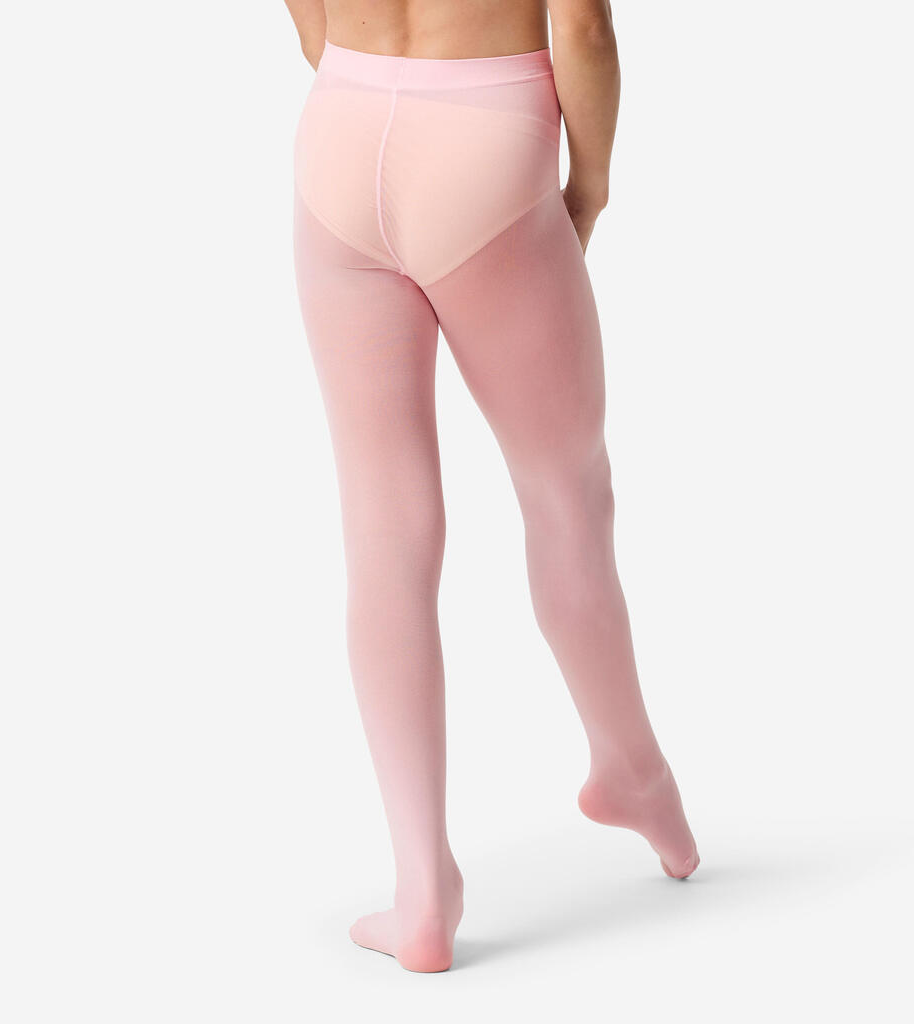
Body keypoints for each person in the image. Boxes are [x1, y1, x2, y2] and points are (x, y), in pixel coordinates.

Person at [284, 0, 699, 973]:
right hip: (485, 138)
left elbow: (308, 26)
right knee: (567, 495)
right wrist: (588, 186)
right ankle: (632, 769)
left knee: (384, 528)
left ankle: (422, 895)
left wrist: (369, 73)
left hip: (341, 131)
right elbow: (583, 29)